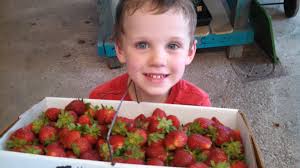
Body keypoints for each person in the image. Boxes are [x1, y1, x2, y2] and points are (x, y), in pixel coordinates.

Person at [89, 0, 211, 106]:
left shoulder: (198, 105)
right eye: (142, 45)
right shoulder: (101, 102)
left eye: (172, 46)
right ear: (121, 49)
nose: (158, 60)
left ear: (189, 52)